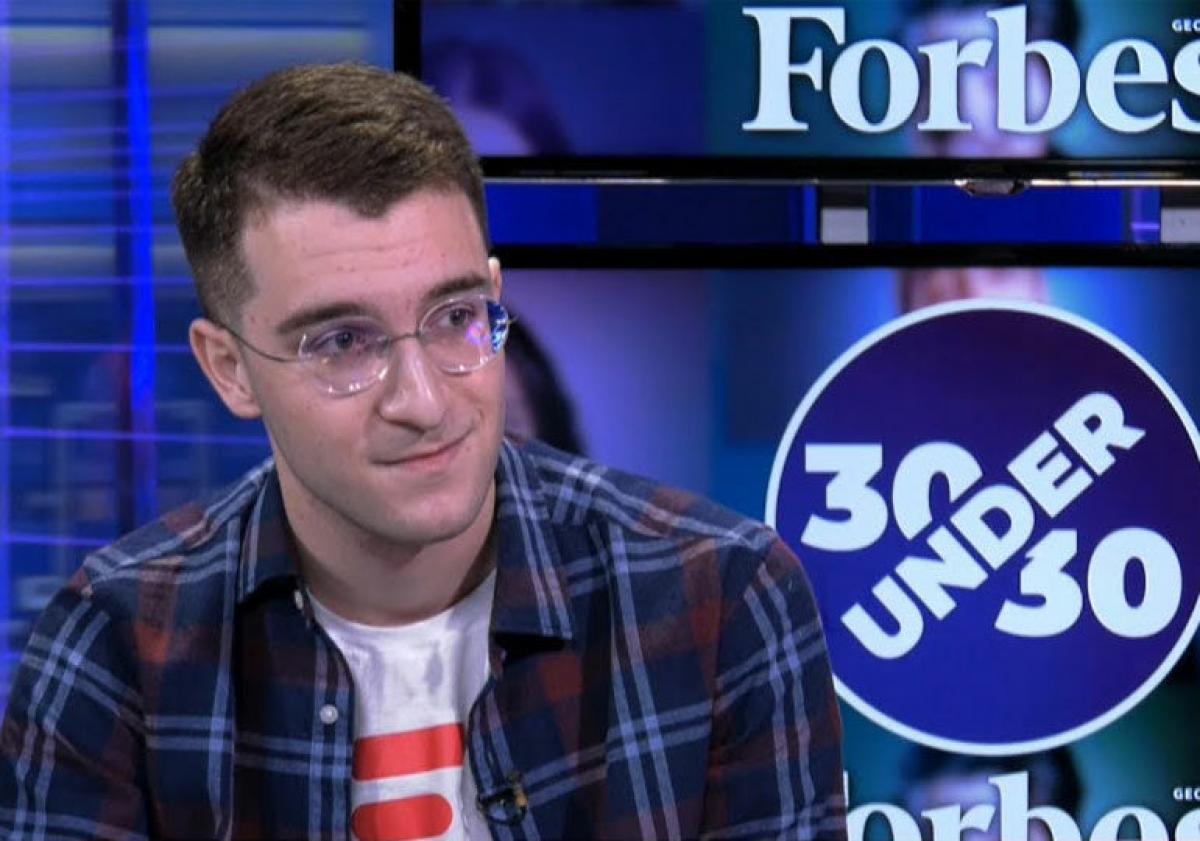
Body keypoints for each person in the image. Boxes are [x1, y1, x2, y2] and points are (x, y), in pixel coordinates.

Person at [0, 63, 846, 840]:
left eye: (455, 318)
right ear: (230, 369)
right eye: (341, 341)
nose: (424, 401)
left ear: (495, 295)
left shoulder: (723, 599)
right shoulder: (116, 649)